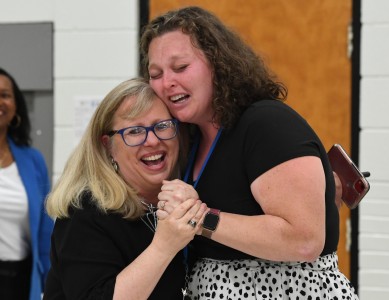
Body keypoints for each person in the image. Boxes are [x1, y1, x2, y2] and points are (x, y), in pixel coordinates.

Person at [140, 6, 359, 299]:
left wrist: (197, 218)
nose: (167, 83)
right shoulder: (190, 135)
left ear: (217, 63)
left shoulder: (266, 123)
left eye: (180, 68)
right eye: (156, 74)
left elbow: (304, 240)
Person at [43, 78, 207, 299]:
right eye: (135, 131)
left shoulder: (176, 200)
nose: (152, 140)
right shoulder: (85, 212)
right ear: (107, 145)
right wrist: (163, 247)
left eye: (162, 126)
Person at [0, 67, 53, 300]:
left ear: (16, 106)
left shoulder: (33, 160)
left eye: (5, 95)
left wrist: (51, 285)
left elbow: (44, 230)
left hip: (21, 281)